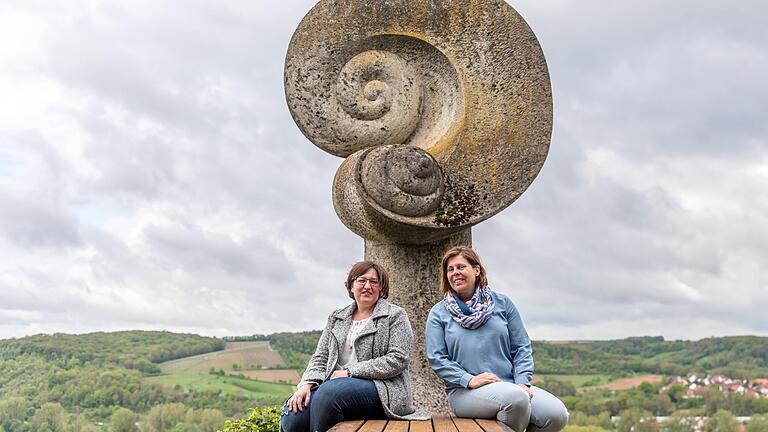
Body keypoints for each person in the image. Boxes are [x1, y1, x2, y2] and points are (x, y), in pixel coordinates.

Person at [425, 246, 569, 432]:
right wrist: (468, 379)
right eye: (450, 269)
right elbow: (437, 358)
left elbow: (522, 347)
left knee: (557, 415)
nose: (455, 273)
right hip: (465, 392)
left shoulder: (502, 303)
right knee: (516, 400)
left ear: (476, 270)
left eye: (461, 267)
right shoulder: (438, 313)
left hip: (510, 384)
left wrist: (522, 382)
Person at [280, 261, 424, 432]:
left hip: (382, 389)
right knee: (293, 414)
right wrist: (306, 384)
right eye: (362, 280)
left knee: (328, 395)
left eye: (374, 281)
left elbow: (398, 359)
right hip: (333, 387)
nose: (367, 286)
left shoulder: (395, 315)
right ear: (350, 285)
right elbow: (321, 357)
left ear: (381, 288)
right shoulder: (336, 317)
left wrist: (350, 372)